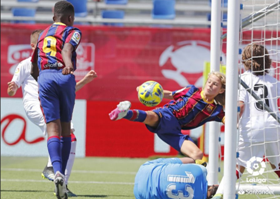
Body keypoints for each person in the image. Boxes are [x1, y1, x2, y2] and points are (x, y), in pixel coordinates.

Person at [7, 29, 97, 197]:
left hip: (49, 104)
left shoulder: (55, 65)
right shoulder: (26, 64)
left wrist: (85, 80)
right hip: (34, 104)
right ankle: (50, 166)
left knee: (71, 137)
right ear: (35, 46)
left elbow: (69, 91)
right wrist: (12, 89)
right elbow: (13, 88)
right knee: (58, 130)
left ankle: (63, 183)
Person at [109, 71, 226, 162]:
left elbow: (229, 121)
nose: (210, 85)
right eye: (209, 81)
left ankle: (169, 169)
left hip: (175, 131)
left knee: (198, 155)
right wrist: (146, 90)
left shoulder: (215, 110)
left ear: (221, 90)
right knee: (152, 117)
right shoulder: (191, 90)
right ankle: (124, 112)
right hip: (168, 114)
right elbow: (171, 94)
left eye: (215, 84)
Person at [213, 44, 280, 198]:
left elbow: (240, 105)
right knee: (277, 164)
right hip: (273, 128)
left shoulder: (242, 79)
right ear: (267, 60)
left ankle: (219, 195)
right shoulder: (274, 81)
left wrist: (233, 123)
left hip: (251, 129)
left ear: (244, 61)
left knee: (237, 167)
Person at [30, 1, 83, 198]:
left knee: (52, 127)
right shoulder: (73, 30)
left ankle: (57, 172)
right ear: (70, 18)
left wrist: (43, 80)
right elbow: (67, 49)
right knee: (66, 126)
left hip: (45, 77)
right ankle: (65, 177)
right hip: (63, 74)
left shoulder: (42, 34)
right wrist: (67, 65)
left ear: (54, 18)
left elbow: (34, 66)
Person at [134, 157, 218, 199]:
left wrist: (194, 161)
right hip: (142, 193)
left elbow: (189, 161)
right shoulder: (198, 197)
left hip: (144, 177)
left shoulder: (201, 170)